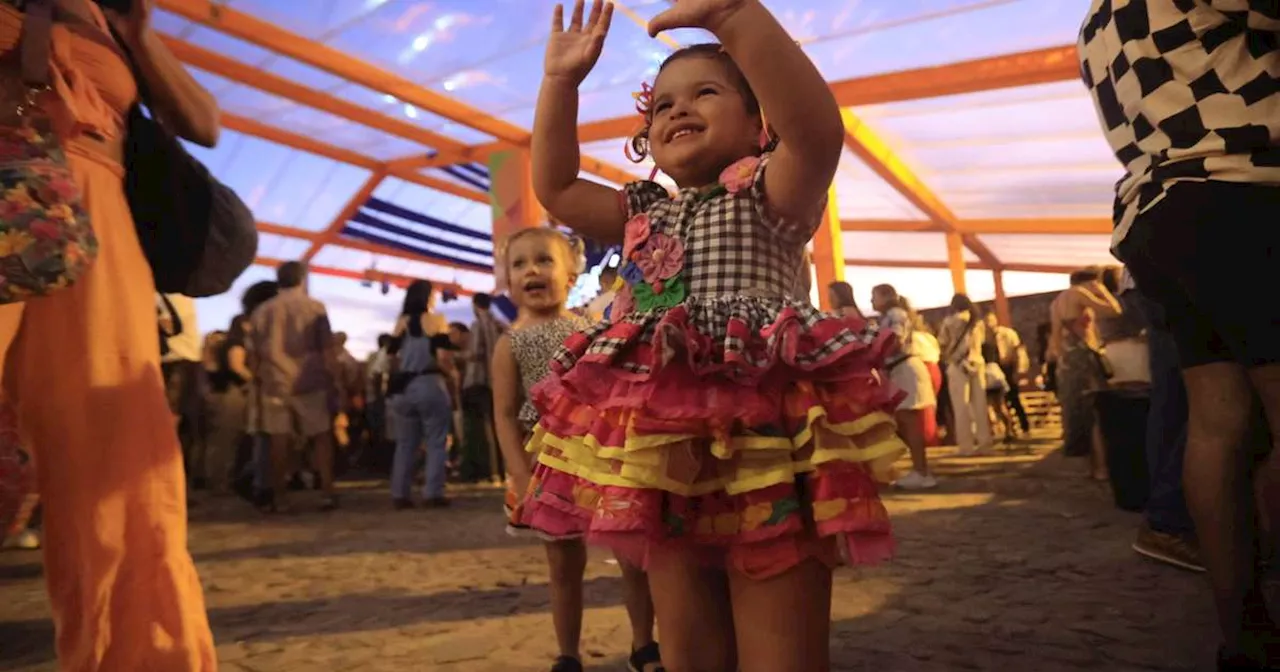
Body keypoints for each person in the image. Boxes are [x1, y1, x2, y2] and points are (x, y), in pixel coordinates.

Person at [516, 2, 907, 669]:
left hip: (767, 451)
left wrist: (734, 17)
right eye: (661, 105)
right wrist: (560, 84)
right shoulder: (641, 210)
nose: (676, 109)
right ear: (648, 142)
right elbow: (554, 186)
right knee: (688, 643)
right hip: (665, 462)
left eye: (705, 92)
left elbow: (816, 131)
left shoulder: (770, 192)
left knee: (778, 642)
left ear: (761, 125)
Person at [0, 0, 220, 666]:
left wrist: (136, 34)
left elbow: (204, 124)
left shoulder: (105, 13)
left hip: (92, 223)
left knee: (119, 472)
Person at [1081, 3, 1280, 667]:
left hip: (1156, 206)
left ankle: (1245, 637)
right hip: (1242, 184)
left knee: (1216, 422)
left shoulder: (1094, 22)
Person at [495, 227, 662, 672]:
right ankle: (568, 653)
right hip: (546, 468)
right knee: (564, 566)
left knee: (632, 557)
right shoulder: (508, 343)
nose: (532, 269)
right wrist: (517, 471)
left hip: (599, 459)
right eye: (520, 263)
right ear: (507, 282)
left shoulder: (593, 329)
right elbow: (505, 412)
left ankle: (644, 645)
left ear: (572, 275)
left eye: (544, 260)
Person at [249, 261, 339, 513]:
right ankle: (327, 493)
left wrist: (259, 379)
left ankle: (280, 497)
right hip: (311, 381)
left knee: (279, 440)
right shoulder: (315, 308)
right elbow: (327, 349)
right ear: (302, 279)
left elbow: (254, 353)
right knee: (321, 437)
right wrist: (334, 380)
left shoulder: (263, 310)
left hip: (274, 383)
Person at [388, 280, 457, 509]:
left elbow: (390, 358)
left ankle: (400, 493)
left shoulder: (401, 323)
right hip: (429, 383)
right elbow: (444, 358)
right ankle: (432, 492)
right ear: (428, 298)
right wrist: (452, 376)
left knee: (405, 443)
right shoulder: (436, 321)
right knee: (437, 441)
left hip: (402, 388)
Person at [1048, 269, 1121, 479]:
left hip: (1068, 359)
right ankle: (1102, 467)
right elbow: (1115, 310)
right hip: (1083, 355)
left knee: (1080, 412)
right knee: (1095, 411)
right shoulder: (1079, 293)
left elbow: (1054, 340)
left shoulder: (1057, 301)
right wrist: (1103, 292)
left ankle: (1092, 467)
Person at [872, 284, 937, 489]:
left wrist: (875, 351)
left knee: (909, 421)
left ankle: (921, 472)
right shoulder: (891, 315)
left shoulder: (895, 314)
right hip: (899, 370)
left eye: (874, 296)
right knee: (904, 421)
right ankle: (920, 469)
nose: (871, 301)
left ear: (885, 296)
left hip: (904, 369)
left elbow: (895, 341)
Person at [937, 294, 993, 457]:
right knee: (980, 405)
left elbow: (942, 342)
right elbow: (981, 342)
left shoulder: (949, 322)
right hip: (977, 363)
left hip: (958, 365)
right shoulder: (977, 322)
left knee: (961, 407)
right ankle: (985, 443)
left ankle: (966, 445)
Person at [204, 315, 251, 494]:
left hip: (223, 392)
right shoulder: (236, 343)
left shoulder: (227, 343)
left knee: (224, 439)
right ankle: (220, 481)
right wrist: (255, 381)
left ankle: (219, 479)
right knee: (227, 438)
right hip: (231, 393)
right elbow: (237, 366)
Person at [461, 294, 504, 482]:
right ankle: (502, 471)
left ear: (475, 305)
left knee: (480, 428)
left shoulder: (478, 325)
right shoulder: (501, 324)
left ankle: (487, 471)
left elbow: (475, 353)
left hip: (479, 381)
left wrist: (460, 356)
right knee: (499, 426)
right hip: (499, 381)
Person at [985, 313, 1030, 438]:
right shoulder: (985, 337)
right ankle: (1009, 429)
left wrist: (1019, 368)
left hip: (1009, 366)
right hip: (995, 369)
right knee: (1000, 402)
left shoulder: (1008, 334)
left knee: (1014, 398)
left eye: (990, 320)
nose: (989, 324)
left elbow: (1018, 351)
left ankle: (1024, 426)